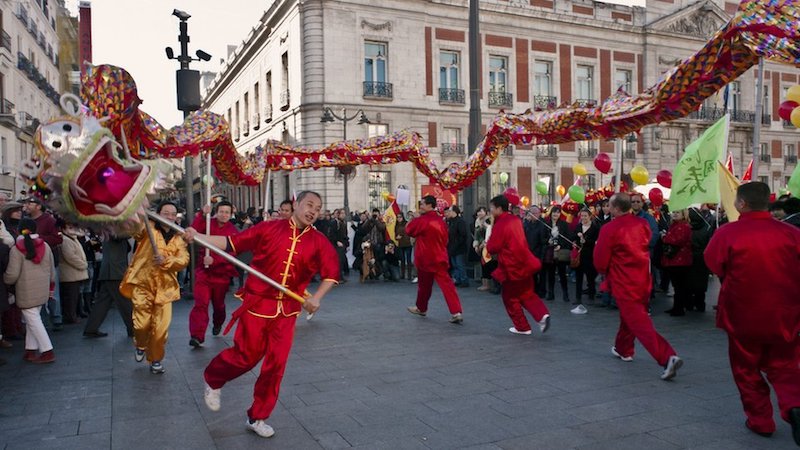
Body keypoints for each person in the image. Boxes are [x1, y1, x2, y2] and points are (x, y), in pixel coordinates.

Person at [183, 191, 339, 439]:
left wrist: (316, 298)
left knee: (276, 366)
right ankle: (213, 378)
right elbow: (232, 244)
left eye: (318, 208)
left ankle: (257, 416)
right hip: (258, 305)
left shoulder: (319, 241)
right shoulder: (268, 228)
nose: (313, 211)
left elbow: (331, 273)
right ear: (296, 205)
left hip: (287, 311)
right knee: (245, 357)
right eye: (309, 205)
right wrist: (198, 236)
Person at [703, 182, 800, 443]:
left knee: (746, 369)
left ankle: (760, 420)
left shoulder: (729, 233)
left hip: (742, 313)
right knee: (786, 366)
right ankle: (794, 405)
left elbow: (713, 262)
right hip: (785, 313)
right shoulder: (791, 233)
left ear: (742, 203)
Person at [593, 193, 683, 381]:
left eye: (610, 206)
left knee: (638, 321)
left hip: (624, 280)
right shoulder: (642, 224)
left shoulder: (609, 228)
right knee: (630, 317)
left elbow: (600, 259)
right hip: (643, 277)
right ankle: (623, 349)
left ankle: (667, 357)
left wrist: (604, 270)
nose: (608, 209)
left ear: (616, 208)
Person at [119, 201, 189, 374]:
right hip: (142, 283)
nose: (170, 217)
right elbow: (133, 230)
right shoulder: (147, 227)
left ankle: (156, 359)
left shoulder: (179, 236)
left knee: (161, 329)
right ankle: (141, 344)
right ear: (158, 213)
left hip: (165, 288)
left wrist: (168, 261)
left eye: (173, 214)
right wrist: (135, 213)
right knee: (141, 324)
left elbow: (184, 259)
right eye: (166, 213)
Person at [485, 195, 550, 335]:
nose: (490, 210)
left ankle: (522, 326)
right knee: (527, 293)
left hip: (511, 266)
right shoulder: (516, 220)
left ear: (499, 208)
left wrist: (489, 239)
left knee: (510, 298)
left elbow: (492, 247)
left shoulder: (500, 224)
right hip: (525, 262)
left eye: (491, 207)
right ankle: (542, 314)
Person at [4, 218, 56, 363]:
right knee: (33, 319)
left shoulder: (17, 248)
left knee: (33, 321)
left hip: (26, 291)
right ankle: (30, 350)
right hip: (42, 290)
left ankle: (47, 351)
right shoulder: (45, 245)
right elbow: (52, 271)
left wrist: (5, 281)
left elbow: (12, 275)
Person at [188, 201, 239, 348]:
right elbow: (194, 231)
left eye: (227, 212)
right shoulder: (208, 223)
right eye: (221, 211)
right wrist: (202, 214)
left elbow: (233, 253)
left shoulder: (233, 231)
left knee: (219, 305)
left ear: (231, 214)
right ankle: (197, 335)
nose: (224, 215)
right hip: (203, 272)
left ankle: (218, 323)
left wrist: (214, 261)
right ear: (216, 212)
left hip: (221, 275)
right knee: (200, 304)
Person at [406, 195, 464, 324]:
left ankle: (421, 308)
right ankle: (456, 311)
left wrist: (414, 219)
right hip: (439, 257)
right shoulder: (441, 221)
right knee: (447, 286)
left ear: (429, 205)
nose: (420, 206)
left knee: (424, 286)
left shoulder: (423, 220)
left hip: (425, 258)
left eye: (422, 204)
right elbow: (445, 239)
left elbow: (409, 230)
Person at [23, 197, 63, 331]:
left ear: (38, 206)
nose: (26, 206)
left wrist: (37, 239)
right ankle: (42, 319)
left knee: (53, 291)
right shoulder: (25, 221)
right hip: (32, 262)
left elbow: (58, 239)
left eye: (30, 203)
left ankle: (56, 318)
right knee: (38, 292)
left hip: (49, 262)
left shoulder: (49, 220)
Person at [83, 235, 134, 338]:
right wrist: (136, 228)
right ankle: (134, 329)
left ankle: (91, 329)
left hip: (111, 271)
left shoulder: (111, 226)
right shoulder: (113, 227)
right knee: (125, 302)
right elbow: (120, 236)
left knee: (102, 302)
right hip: (114, 271)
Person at [660, 209, 693, 316]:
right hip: (674, 260)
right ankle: (677, 306)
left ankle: (679, 308)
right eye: (673, 212)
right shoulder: (674, 225)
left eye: (677, 212)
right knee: (677, 285)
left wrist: (664, 237)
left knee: (679, 286)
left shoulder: (684, 226)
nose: (674, 214)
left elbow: (676, 240)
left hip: (681, 260)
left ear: (683, 215)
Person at [58, 222, 89, 324]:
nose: (72, 229)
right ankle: (70, 317)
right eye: (69, 227)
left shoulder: (72, 238)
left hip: (74, 274)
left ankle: (73, 315)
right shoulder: (65, 240)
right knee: (70, 298)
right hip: (70, 274)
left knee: (74, 297)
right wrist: (83, 265)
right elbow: (70, 257)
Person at [571, 208, 600, 314]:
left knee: (590, 276)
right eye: (582, 216)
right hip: (579, 255)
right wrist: (574, 241)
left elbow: (597, 241)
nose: (583, 218)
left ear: (589, 216)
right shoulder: (578, 226)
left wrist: (586, 241)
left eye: (585, 216)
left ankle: (591, 296)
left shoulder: (595, 228)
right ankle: (578, 297)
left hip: (589, 255)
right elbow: (573, 236)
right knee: (578, 276)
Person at [542, 206, 571, 302]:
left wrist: (560, 245)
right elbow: (542, 238)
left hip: (560, 252)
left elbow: (568, 238)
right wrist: (548, 241)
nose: (556, 214)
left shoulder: (564, 225)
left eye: (558, 212)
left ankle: (565, 294)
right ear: (551, 213)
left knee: (562, 274)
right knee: (550, 274)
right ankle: (551, 293)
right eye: (554, 212)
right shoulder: (546, 224)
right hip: (550, 252)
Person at [523, 206, 548, 298]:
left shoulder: (543, 225)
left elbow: (544, 241)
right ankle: (534, 290)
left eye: (534, 213)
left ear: (539, 214)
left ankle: (542, 291)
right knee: (531, 274)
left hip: (539, 253)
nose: (532, 215)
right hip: (529, 253)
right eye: (531, 213)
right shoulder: (527, 224)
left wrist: (541, 255)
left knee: (541, 274)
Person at [445, 205, 470, 288]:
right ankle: (457, 279)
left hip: (459, 247)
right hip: (451, 247)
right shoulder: (451, 221)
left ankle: (464, 280)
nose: (449, 212)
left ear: (454, 212)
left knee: (460, 264)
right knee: (455, 265)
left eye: (450, 211)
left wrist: (456, 244)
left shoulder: (460, 221)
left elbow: (463, 235)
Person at [394, 212, 413, 280]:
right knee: (402, 260)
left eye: (400, 217)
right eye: (398, 217)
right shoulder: (396, 225)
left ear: (403, 217)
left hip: (407, 243)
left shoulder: (406, 223)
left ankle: (409, 275)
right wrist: (397, 237)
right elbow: (395, 235)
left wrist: (401, 235)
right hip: (401, 244)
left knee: (408, 259)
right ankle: (402, 274)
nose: (399, 218)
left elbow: (408, 231)